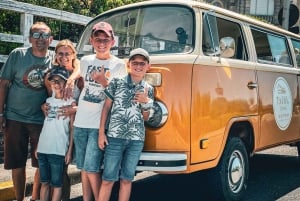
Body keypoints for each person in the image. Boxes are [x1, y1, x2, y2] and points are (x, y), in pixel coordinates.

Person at [65, 21, 127, 201]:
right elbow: (78, 69)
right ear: (91, 41)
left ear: (112, 42)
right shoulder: (85, 61)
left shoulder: (118, 65)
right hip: (80, 122)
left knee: (92, 168)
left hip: (98, 124)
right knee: (84, 168)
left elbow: (121, 95)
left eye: (105, 40)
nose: (101, 43)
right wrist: (71, 78)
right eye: (98, 39)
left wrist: (103, 81)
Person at [0, 22, 53, 201]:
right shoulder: (18, 55)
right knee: (17, 162)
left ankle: (35, 197)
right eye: (36, 35)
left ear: (50, 39)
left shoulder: (54, 59)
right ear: (30, 38)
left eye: (45, 35)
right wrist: (0, 113)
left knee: (41, 162)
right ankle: (19, 198)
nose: (40, 39)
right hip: (15, 117)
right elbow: (4, 84)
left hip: (41, 120)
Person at [98, 48, 154, 201]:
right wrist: (101, 133)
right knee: (108, 179)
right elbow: (106, 108)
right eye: (135, 62)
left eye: (142, 63)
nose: (138, 66)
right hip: (115, 137)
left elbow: (146, 117)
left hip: (136, 140)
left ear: (148, 66)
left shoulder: (149, 89)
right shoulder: (117, 82)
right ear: (129, 64)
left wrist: (145, 102)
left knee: (127, 179)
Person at [42, 39, 83, 201]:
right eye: (60, 53)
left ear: (73, 55)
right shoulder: (52, 76)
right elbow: (50, 99)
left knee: (63, 169)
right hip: (54, 128)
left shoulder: (79, 76)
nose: (64, 56)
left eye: (67, 53)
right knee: (52, 172)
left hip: (73, 125)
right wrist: (43, 107)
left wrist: (75, 109)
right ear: (56, 55)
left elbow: (90, 101)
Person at [36, 67, 76, 201]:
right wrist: (37, 147)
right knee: (44, 183)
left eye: (59, 81)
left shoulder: (70, 103)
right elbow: (46, 126)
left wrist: (69, 151)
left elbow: (72, 129)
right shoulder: (48, 102)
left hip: (58, 150)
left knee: (57, 184)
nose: (56, 84)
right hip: (43, 149)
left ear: (65, 83)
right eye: (53, 81)